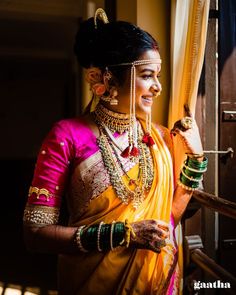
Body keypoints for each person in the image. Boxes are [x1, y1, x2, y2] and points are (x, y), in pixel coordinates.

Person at [23, 8, 207, 295]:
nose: (157, 87)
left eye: (157, 76)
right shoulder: (67, 135)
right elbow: (35, 235)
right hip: (92, 283)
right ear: (105, 80)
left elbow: (168, 220)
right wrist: (124, 234)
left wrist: (196, 159)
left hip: (156, 284)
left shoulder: (158, 136)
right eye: (147, 75)